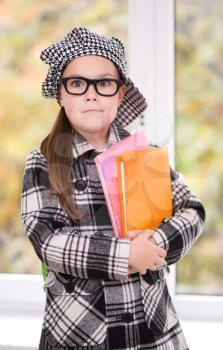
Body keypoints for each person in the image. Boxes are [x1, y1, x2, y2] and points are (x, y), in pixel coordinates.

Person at [21, 27, 205, 350]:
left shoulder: (143, 153)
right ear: (60, 94)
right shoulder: (44, 162)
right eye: (77, 84)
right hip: (79, 335)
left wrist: (157, 244)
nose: (91, 94)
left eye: (104, 83)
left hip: (153, 331)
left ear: (120, 93)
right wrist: (128, 255)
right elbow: (48, 241)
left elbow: (193, 210)